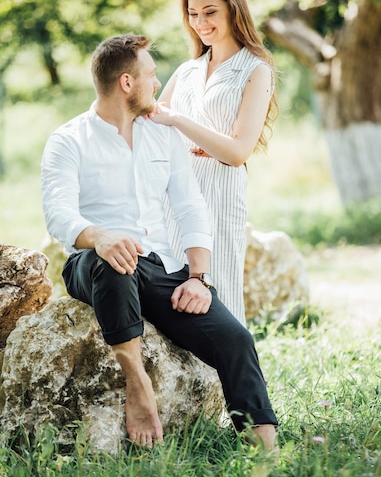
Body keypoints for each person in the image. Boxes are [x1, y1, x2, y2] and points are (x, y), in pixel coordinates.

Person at [41, 33, 278, 451]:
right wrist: (101, 236)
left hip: (159, 265)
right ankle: (138, 385)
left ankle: (266, 446)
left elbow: (190, 208)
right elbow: (59, 214)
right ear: (127, 83)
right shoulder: (68, 139)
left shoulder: (161, 135)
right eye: (151, 75)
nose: (158, 83)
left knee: (236, 338)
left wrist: (198, 278)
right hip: (91, 263)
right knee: (115, 262)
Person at [150, 0, 278, 326]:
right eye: (193, 14)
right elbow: (153, 126)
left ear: (233, 9)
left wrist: (178, 121)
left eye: (210, 12)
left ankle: (231, 382)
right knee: (171, 296)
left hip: (219, 195)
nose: (200, 23)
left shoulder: (255, 70)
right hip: (173, 195)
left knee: (219, 301)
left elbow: (237, 153)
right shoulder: (188, 69)